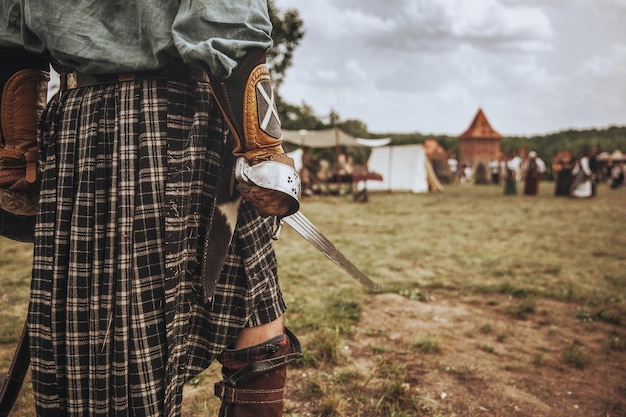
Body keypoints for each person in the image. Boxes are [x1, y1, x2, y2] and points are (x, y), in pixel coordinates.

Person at [0, 1, 302, 417]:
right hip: (177, 114)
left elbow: (11, 37)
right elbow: (228, 21)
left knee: (254, 306)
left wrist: (19, 150)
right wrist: (262, 145)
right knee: (124, 355)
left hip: (80, 125)